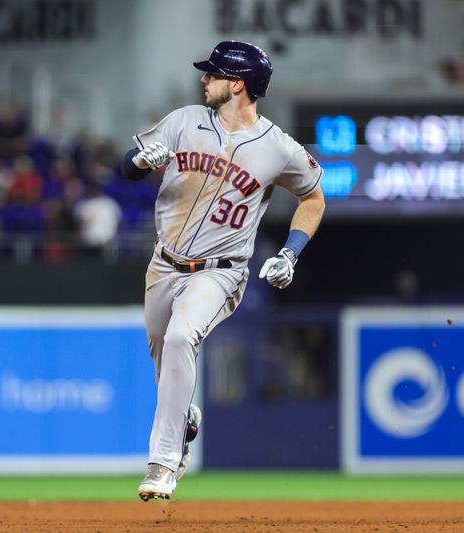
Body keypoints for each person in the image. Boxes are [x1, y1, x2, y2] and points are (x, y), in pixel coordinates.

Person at [120, 41, 325, 501]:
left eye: (212, 74)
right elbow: (124, 169)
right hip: (163, 265)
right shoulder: (182, 121)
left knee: (180, 338)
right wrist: (138, 162)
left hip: (221, 272)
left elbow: (314, 197)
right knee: (164, 359)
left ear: (237, 84)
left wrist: (291, 251)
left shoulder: (279, 148)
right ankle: (186, 418)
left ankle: (163, 464)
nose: (203, 79)